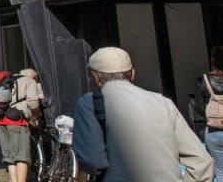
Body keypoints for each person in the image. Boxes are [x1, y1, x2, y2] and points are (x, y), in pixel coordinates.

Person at [72, 46, 212, 181]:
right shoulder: (163, 102)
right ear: (133, 74)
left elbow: (93, 161)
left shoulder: (89, 104)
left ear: (95, 77)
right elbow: (202, 162)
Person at [0, 68, 42, 182]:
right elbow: (33, 103)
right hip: (17, 122)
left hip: (0, 121)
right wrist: (35, 116)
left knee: (10, 157)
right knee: (22, 157)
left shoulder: (8, 80)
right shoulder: (29, 82)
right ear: (33, 76)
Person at [198, 45, 223, 182]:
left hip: (214, 131)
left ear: (213, 60)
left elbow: (200, 108)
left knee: (220, 173)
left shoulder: (204, 80)